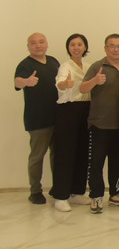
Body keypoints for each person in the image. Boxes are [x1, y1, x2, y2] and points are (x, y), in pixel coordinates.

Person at [80, 33, 119, 213]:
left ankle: (116, 194)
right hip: (100, 124)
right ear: (105, 48)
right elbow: (82, 88)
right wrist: (95, 81)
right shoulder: (97, 66)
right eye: (112, 45)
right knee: (96, 162)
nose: (115, 49)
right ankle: (96, 196)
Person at [14, 32, 59, 205]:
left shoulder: (53, 61)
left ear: (46, 44)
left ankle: (58, 188)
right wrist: (25, 82)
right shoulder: (25, 65)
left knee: (57, 155)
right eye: (33, 43)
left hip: (57, 117)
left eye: (41, 42)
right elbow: (17, 81)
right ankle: (35, 191)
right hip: (38, 119)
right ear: (28, 46)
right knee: (37, 156)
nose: (38, 45)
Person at [49, 34, 92, 212]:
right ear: (68, 48)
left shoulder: (88, 67)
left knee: (82, 152)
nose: (76, 47)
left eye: (79, 44)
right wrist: (65, 84)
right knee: (65, 154)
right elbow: (59, 83)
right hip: (68, 111)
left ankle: (77, 192)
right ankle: (60, 196)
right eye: (72, 44)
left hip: (86, 110)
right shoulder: (65, 66)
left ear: (85, 47)